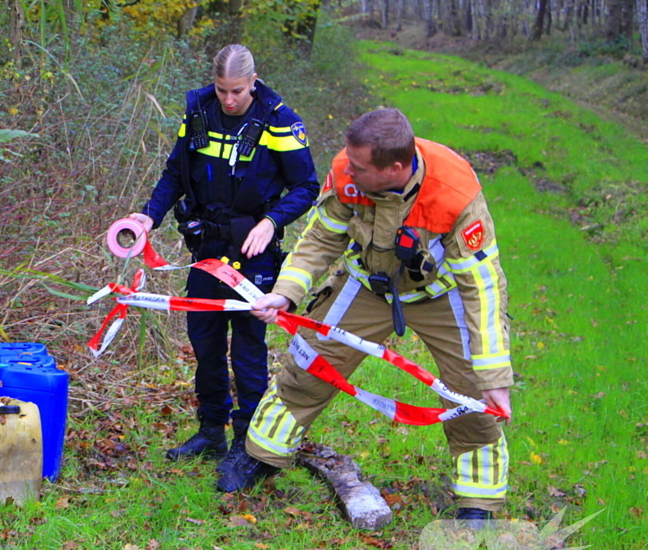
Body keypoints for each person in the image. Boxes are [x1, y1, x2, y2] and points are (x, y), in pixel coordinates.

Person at [218, 107, 512, 524]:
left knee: (471, 393)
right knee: (307, 364)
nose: (346, 170)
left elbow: (482, 288)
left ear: (394, 167)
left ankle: (477, 500)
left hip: (440, 293)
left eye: (358, 166)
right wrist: (285, 292)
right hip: (366, 284)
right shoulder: (345, 170)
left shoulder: (454, 190)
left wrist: (495, 378)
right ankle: (261, 455)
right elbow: (320, 237)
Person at [124, 44, 319, 464]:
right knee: (205, 345)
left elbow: (307, 187)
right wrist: (147, 218)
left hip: (254, 256)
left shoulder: (280, 121)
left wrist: (271, 223)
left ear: (253, 81)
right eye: (221, 90)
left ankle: (247, 446)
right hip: (206, 253)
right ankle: (211, 431)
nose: (229, 100)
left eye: (237, 91)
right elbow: (175, 172)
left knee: (248, 351)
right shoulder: (198, 113)